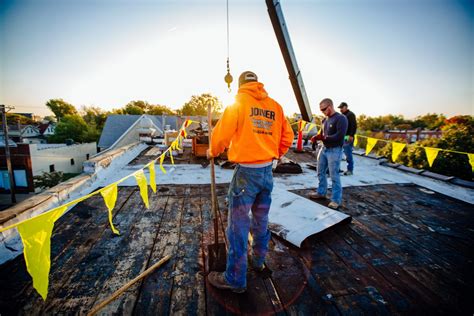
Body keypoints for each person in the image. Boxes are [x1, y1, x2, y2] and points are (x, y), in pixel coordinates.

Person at [206, 71, 294, 293]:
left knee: (238, 226)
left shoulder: (238, 103)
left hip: (246, 173)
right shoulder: (275, 106)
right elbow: (287, 137)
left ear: (239, 85)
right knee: (261, 220)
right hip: (267, 172)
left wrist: (212, 151)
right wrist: (274, 153)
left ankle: (235, 279)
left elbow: (221, 135)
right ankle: (257, 261)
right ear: (257, 84)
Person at [310, 98, 348, 209]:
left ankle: (336, 200)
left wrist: (324, 137)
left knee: (334, 175)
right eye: (321, 110)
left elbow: (340, 136)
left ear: (330, 107)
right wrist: (316, 137)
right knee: (320, 172)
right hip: (324, 149)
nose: (322, 111)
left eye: (324, 109)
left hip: (335, 150)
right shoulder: (324, 120)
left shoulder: (341, 118)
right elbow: (322, 133)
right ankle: (321, 192)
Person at [338, 102, 357, 175]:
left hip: (348, 137)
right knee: (338, 153)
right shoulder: (342, 115)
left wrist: (351, 135)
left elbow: (354, 126)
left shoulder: (350, 115)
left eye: (341, 108)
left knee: (348, 154)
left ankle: (350, 170)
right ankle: (337, 168)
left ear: (346, 107)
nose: (340, 109)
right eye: (340, 108)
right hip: (342, 136)